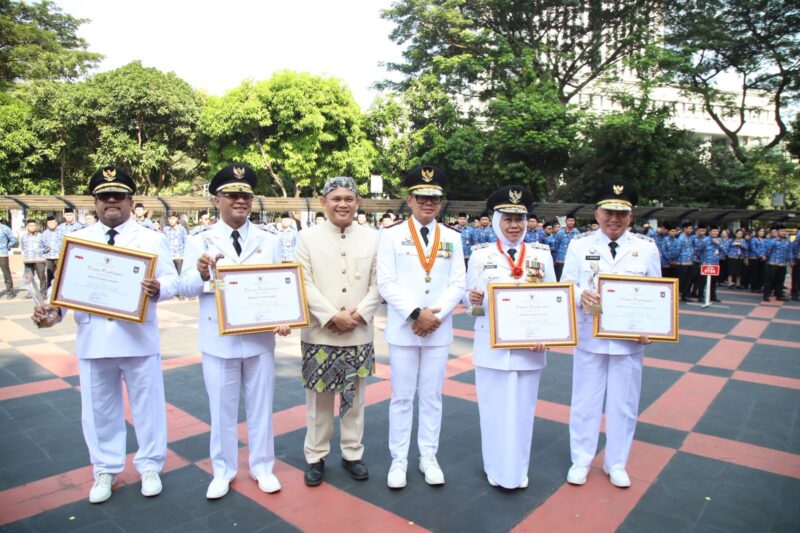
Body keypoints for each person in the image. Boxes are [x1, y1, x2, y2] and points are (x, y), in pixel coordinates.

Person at [31, 166, 178, 503]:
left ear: (131, 200)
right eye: (104, 196)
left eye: (119, 195)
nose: (112, 201)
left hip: (137, 337)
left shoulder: (151, 239)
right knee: (98, 409)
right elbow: (61, 292)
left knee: (148, 406)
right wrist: (51, 313)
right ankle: (105, 468)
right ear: (94, 202)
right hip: (93, 338)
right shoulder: (78, 239)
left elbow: (171, 280)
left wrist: (157, 288)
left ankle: (150, 465)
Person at [180, 163, 291, 499]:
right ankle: (223, 470)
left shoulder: (269, 239)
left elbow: (281, 285)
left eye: (245, 194)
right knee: (222, 410)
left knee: (261, 408)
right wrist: (201, 274)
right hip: (218, 341)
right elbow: (183, 287)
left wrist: (286, 315)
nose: (240, 200)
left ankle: (262, 467)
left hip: (259, 341)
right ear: (217, 200)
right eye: (232, 194)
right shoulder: (199, 240)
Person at [561, 179, 660, 489]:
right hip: (590, 337)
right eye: (608, 213)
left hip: (628, 343)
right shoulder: (580, 245)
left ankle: (616, 463)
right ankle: (581, 459)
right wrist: (581, 295)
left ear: (631, 217)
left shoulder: (645, 248)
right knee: (584, 402)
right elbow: (567, 285)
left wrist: (652, 328)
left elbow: (656, 293)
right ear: (597, 213)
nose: (614, 220)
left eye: (621, 214)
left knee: (624, 405)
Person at [377, 165, 465, 489]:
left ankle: (428, 456)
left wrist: (433, 317)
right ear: (409, 199)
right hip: (404, 329)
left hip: (437, 330)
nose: (428, 203)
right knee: (401, 397)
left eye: (434, 198)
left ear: (441, 202)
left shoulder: (453, 237)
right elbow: (385, 283)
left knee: (431, 396)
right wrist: (416, 314)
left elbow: (458, 283)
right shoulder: (391, 235)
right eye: (422, 197)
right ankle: (398, 459)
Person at [466, 185, 555, 490]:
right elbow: (469, 303)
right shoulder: (480, 256)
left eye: (520, 218)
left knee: (523, 413)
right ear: (496, 221)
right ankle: (496, 469)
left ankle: (517, 471)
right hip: (491, 346)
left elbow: (554, 300)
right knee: (492, 411)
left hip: (530, 348)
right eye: (508, 219)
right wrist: (472, 300)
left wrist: (550, 335)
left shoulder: (542, 256)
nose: (515, 225)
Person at [295, 176, 382, 487]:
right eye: (336, 198)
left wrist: (358, 315)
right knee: (318, 400)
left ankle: (352, 454)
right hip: (321, 333)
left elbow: (378, 282)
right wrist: (331, 316)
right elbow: (302, 282)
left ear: (358, 202)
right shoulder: (307, 238)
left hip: (358, 332)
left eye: (349, 198)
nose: (342, 203)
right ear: (323, 202)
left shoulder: (374, 238)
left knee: (355, 398)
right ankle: (315, 457)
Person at [762, 226, 794, 301]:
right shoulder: (773, 241)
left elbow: (790, 252)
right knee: (769, 281)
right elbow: (767, 251)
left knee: (780, 281)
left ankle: (779, 296)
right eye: (782, 231)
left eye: (785, 231)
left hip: (782, 264)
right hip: (772, 264)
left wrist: (791, 261)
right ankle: (766, 296)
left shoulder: (788, 241)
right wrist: (766, 257)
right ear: (778, 232)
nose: (784, 232)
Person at [20, 219, 47, 298]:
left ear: (36, 226)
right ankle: (30, 293)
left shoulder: (41, 236)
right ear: (27, 227)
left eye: (34, 225)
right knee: (27, 278)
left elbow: (47, 247)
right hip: (28, 260)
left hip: (39, 260)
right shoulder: (23, 237)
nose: (32, 227)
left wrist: (39, 251)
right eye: (30, 226)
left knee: (41, 277)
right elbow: (22, 246)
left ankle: (43, 293)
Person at [697, 225, 722, 302]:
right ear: (710, 232)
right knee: (702, 281)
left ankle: (713, 296)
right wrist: (701, 261)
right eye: (713, 231)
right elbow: (698, 250)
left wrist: (718, 244)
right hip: (705, 263)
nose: (715, 233)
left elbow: (725, 251)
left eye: (717, 231)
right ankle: (700, 296)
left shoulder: (719, 240)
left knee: (713, 282)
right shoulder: (705, 240)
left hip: (715, 264)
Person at [553, 215, 580, 280]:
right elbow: (556, 246)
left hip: (574, 260)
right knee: (560, 278)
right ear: (565, 221)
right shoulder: (560, 233)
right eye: (569, 220)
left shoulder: (577, 233)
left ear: (574, 222)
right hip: (561, 260)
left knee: (572, 278)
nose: (570, 222)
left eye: (572, 220)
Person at [676, 222, 696, 302]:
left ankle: (685, 295)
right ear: (685, 229)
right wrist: (676, 260)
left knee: (688, 279)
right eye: (690, 228)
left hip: (689, 261)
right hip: (683, 262)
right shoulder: (681, 238)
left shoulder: (688, 237)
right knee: (682, 280)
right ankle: (678, 295)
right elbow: (678, 250)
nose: (691, 230)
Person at [41, 216, 62, 288]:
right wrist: (45, 250)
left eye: (53, 222)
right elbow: (41, 246)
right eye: (49, 222)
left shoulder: (62, 232)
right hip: (49, 257)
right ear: (47, 224)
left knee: (61, 274)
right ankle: (49, 290)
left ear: (56, 223)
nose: (51, 224)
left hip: (59, 256)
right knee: (49, 275)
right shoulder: (44, 233)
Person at [0, 219, 17, 298]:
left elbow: (13, 239)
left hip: (2, 254)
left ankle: (10, 291)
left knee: (6, 273)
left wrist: (7, 247)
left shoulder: (5, 228)